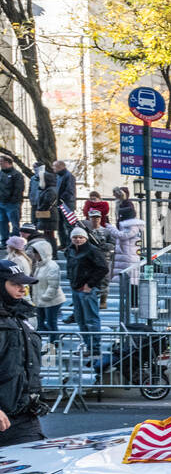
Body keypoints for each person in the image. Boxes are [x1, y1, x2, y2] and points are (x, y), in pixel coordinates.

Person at [0, 259, 45, 446]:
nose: (22, 289)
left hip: (25, 415)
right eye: (15, 284)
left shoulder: (20, 316)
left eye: (23, 284)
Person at [66, 226, 107, 361]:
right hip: (75, 289)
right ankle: (88, 347)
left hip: (87, 290)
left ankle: (95, 348)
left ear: (85, 238)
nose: (78, 239)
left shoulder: (92, 251)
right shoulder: (70, 250)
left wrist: (89, 284)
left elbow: (103, 268)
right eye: (75, 237)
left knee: (91, 320)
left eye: (80, 237)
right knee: (81, 320)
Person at [28, 239, 63, 334]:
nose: (34, 255)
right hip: (40, 300)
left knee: (51, 324)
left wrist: (45, 298)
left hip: (51, 301)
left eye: (36, 252)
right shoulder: (39, 265)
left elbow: (53, 285)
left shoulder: (52, 266)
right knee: (40, 323)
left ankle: (54, 345)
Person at [50, 160, 75, 254]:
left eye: (54, 166)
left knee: (68, 225)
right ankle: (63, 243)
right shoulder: (58, 176)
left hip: (66, 204)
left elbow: (69, 191)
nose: (53, 168)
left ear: (60, 166)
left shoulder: (69, 176)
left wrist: (60, 199)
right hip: (59, 204)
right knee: (59, 224)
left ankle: (69, 244)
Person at [0, 156, 24, 240]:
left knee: (15, 223)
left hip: (12, 203)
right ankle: (4, 241)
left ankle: (15, 241)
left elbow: (19, 189)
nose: (0, 164)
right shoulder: (1, 173)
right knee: (2, 222)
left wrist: (13, 200)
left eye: (1, 162)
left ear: (7, 162)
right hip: (1, 202)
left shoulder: (16, 174)